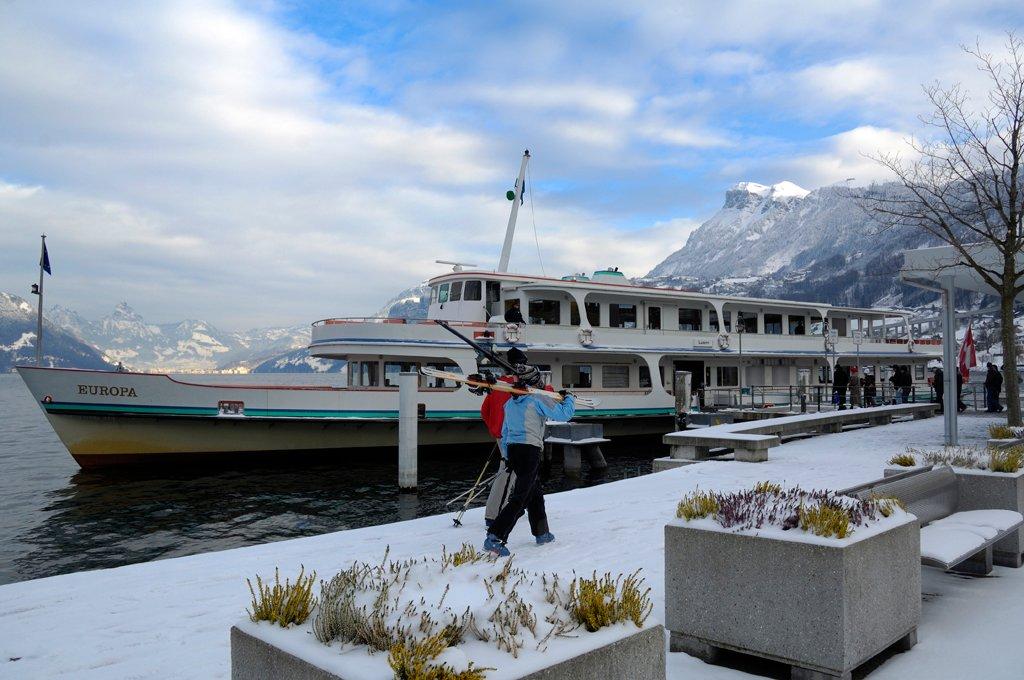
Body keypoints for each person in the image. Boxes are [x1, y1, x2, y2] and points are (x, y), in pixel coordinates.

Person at [484, 365, 575, 557]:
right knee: (520, 498)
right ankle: (495, 537)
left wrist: (507, 456)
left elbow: (505, 431)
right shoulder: (537, 399)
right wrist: (570, 399)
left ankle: (542, 533)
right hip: (529, 451)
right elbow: (564, 415)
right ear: (535, 382)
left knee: (535, 494)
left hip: (515, 450)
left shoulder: (509, 403)